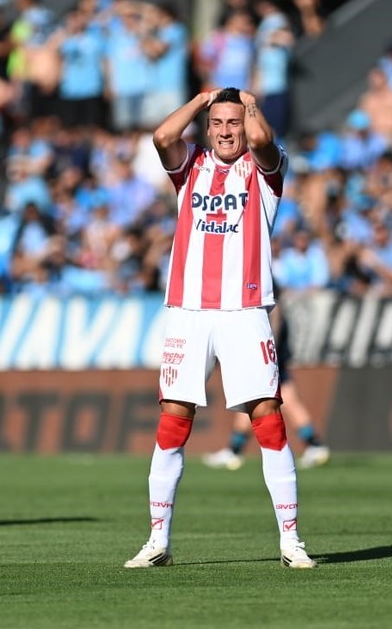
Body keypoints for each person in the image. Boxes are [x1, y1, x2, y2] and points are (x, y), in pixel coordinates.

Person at [125, 87, 315, 569]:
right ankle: (158, 540)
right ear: (207, 128)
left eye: (234, 123)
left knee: (268, 417)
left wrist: (249, 105)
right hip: (188, 312)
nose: (228, 132)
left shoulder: (264, 170)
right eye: (219, 124)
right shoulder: (189, 166)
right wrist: (202, 99)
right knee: (173, 418)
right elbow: (163, 134)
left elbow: (265, 139)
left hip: (245, 310)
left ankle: (291, 540)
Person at [203, 306, 330, 470]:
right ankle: (314, 445)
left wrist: (270, 345)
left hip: (265, 344)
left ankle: (235, 451)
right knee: (280, 397)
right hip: (268, 343)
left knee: (260, 396)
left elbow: (274, 310)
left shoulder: (262, 284)